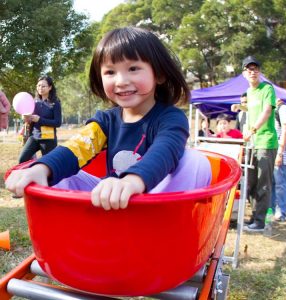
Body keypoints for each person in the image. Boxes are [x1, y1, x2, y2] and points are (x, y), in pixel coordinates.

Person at [6, 26, 212, 210]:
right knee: (57, 173)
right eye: (110, 72)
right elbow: (76, 147)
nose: (121, 81)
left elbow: (164, 151)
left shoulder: (171, 118)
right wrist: (43, 168)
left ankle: (170, 232)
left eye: (133, 68)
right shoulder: (105, 121)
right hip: (111, 202)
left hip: (156, 205)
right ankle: (73, 237)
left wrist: (132, 181)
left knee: (196, 161)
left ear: (159, 74)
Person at [242, 56, 278, 232]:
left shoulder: (267, 89)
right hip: (253, 144)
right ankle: (254, 217)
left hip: (266, 142)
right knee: (252, 183)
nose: (252, 72)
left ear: (260, 72)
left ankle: (260, 221)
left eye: (255, 69)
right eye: (249, 69)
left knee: (264, 184)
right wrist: (240, 109)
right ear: (244, 73)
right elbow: (252, 112)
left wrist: (253, 130)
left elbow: (266, 111)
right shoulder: (249, 92)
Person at [18, 76, 62, 163]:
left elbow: (58, 123)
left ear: (50, 87)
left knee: (48, 164)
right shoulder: (34, 102)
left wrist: (40, 120)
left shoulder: (55, 103)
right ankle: (31, 175)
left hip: (48, 139)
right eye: (38, 86)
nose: (40, 88)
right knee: (22, 159)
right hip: (34, 137)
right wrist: (26, 118)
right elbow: (30, 120)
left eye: (43, 86)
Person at [271, 99, 286, 222]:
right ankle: (273, 211)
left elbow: (285, 131)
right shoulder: (271, 109)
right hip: (272, 153)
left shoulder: (282, 109)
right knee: (272, 185)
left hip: (281, 155)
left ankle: (281, 212)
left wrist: (279, 153)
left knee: (280, 185)